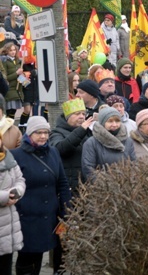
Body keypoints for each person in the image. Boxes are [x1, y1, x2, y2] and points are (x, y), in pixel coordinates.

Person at [12, 116, 72, 275]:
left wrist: (66, 211)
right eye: (38, 132)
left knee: (42, 255)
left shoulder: (53, 152)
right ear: (29, 133)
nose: (43, 136)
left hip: (49, 217)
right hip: (25, 218)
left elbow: (63, 183)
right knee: (27, 258)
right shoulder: (16, 155)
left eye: (46, 132)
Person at [81, 106, 136, 182]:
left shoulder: (128, 141)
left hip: (126, 187)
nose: (114, 124)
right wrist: (108, 184)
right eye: (110, 121)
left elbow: (133, 164)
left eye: (117, 121)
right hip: (102, 188)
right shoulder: (92, 143)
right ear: (103, 122)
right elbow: (88, 168)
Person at [51, 98, 94, 192]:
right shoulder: (56, 133)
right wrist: (81, 130)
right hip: (70, 185)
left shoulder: (88, 132)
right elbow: (61, 149)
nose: (81, 117)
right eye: (77, 114)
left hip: (88, 184)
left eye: (83, 114)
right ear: (67, 117)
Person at [0, 129, 25, 274]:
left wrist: (17, 193)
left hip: (7, 228)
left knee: (5, 268)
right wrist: (5, 197)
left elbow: (20, 179)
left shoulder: (7, 157)